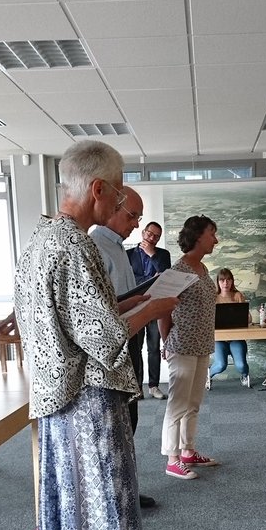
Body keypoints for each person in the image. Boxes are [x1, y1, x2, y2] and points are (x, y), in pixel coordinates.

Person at [13, 140, 178, 530]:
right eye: (119, 190)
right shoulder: (75, 246)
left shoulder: (41, 238)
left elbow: (66, 320)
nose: (121, 205)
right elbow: (105, 337)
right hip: (87, 401)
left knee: (68, 505)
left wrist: (139, 301)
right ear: (99, 188)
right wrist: (156, 308)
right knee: (92, 509)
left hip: (57, 399)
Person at [91, 185, 157, 510]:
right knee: (116, 422)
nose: (136, 224)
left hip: (132, 338)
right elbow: (99, 311)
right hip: (112, 347)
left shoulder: (119, 247)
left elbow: (121, 299)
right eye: (133, 216)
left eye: (138, 217)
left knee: (130, 418)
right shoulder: (95, 246)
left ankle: (126, 488)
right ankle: (113, 496)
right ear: (114, 208)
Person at [159, 215, 219, 480]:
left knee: (193, 403)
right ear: (197, 236)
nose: (215, 239)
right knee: (178, 403)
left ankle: (187, 451)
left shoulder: (203, 270)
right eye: (212, 233)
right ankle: (172, 459)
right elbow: (162, 310)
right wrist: (166, 342)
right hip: (182, 345)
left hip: (202, 344)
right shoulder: (178, 271)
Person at [128, 221, 171, 399]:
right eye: (150, 234)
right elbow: (129, 280)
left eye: (156, 236)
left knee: (153, 348)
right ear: (143, 233)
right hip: (135, 308)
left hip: (154, 307)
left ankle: (154, 386)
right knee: (135, 349)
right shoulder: (127, 255)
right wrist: (149, 279)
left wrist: (152, 255)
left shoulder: (162, 255)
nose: (152, 238)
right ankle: (137, 387)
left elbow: (165, 277)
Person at [209, 268, 250, 387]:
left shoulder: (238, 296)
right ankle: (207, 375)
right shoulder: (214, 298)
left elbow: (249, 318)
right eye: (222, 280)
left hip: (236, 338)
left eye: (228, 280)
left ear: (232, 281)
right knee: (221, 365)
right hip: (219, 339)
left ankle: (245, 375)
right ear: (218, 282)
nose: (225, 283)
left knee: (241, 365)